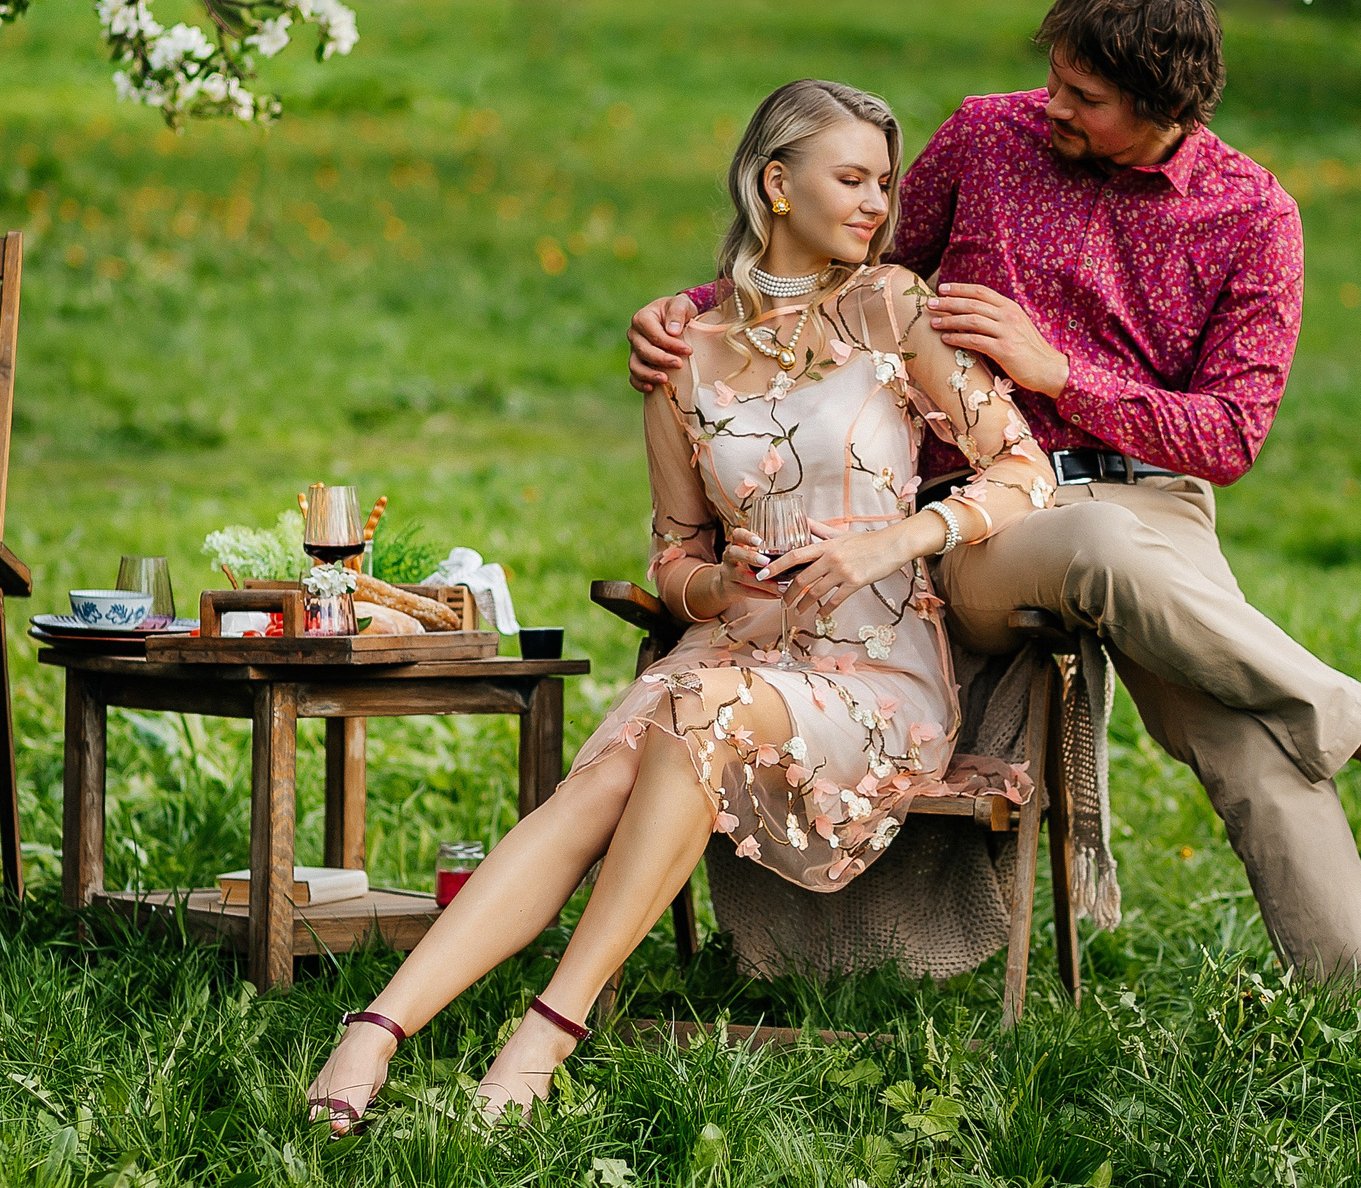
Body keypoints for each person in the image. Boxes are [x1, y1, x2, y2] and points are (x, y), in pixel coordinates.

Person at [627, 0, 1361, 1040]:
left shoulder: (1251, 217)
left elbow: (1231, 436)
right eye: (1052, 78)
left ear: (1163, 111)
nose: (1049, 105)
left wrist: (1064, 376)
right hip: (984, 519)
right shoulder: (984, 138)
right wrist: (692, 313)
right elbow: (846, 273)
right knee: (1090, 534)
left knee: (1250, 743)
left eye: (1083, 99)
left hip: (1155, 511)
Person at [305, 80, 1052, 1130]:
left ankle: (541, 1038)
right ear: (775, 184)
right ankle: (375, 1030)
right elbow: (673, 558)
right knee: (598, 784)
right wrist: (722, 588)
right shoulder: (680, 358)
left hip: (876, 674)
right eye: (852, 178)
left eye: (884, 180)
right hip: (735, 648)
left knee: (693, 713)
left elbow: (1023, 472)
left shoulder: (894, 311)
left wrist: (901, 536)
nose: (878, 201)